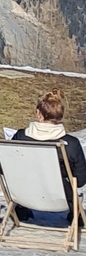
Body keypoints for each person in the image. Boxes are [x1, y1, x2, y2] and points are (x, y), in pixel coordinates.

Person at [12, 89, 86, 223]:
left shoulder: (21, 136)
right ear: (60, 116)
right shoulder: (71, 144)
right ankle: (76, 213)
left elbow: (3, 166)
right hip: (60, 198)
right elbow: (80, 180)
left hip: (24, 194)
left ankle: (21, 210)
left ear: (38, 113)